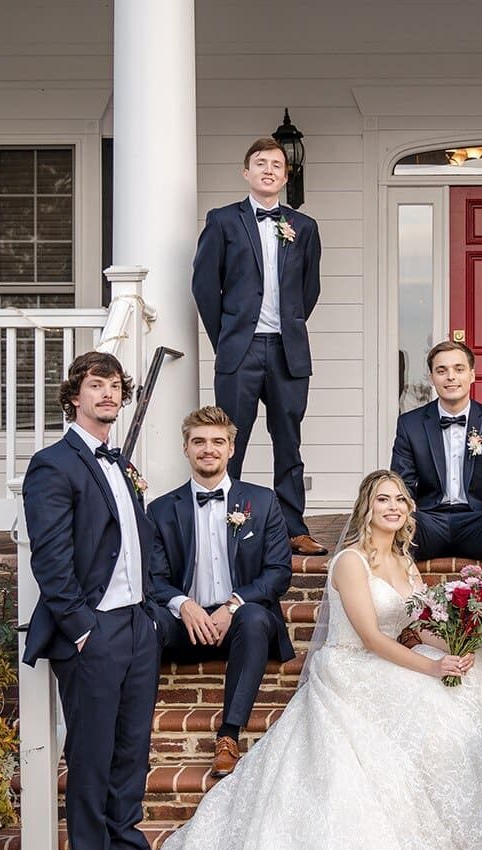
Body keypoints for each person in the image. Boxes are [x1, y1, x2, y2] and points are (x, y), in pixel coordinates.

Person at [129, 471, 482, 850]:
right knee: (436, 703)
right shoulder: (350, 562)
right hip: (354, 666)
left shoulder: (405, 560)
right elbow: (372, 638)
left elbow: (416, 626)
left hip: (391, 658)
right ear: (366, 508)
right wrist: (432, 668)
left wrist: (459, 646)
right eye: (382, 499)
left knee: (479, 674)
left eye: (400, 499)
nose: (392, 506)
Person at [21, 351, 168, 850]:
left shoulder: (122, 463)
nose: (108, 394)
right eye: (96, 384)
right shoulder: (53, 465)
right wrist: (81, 627)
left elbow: (137, 543)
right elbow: (50, 558)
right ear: (74, 396)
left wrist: (150, 612)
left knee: (132, 749)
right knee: (90, 756)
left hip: (137, 625)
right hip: (93, 631)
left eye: (115, 386)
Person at [192, 135, 327, 556]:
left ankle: (293, 528)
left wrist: (288, 325)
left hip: (288, 351)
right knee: (230, 440)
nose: (269, 170)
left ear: (286, 177)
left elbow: (309, 290)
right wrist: (228, 338)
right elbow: (204, 287)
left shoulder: (304, 227)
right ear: (246, 172)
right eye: (261, 163)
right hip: (241, 350)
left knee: (289, 441)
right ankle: (222, 523)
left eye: (277, 165)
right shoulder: (223, 221)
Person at [146, 405, 295, 777]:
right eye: (198, 442)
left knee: (256, 616)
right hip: (186, 625)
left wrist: (233, 605)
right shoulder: (161, 510)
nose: (208, 449)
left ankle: (228, 736)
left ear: (231, 448)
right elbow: (153, 579)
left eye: (217, 441)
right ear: (185, 448)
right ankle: (137, 736)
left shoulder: (262, 502)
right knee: (144, 623)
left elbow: (279, 572)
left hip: (239, 621)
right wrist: (184, 605)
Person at [390, 339, 482, 600]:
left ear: (472, 375)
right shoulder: (410, 424)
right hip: (428, 523)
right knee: (392, 518)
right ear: (431, 377)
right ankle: (400, 608)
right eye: (441, 370)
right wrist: (404, 504)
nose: (450, 377)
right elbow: (401, 481)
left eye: (459, 369)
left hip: (478, 522)